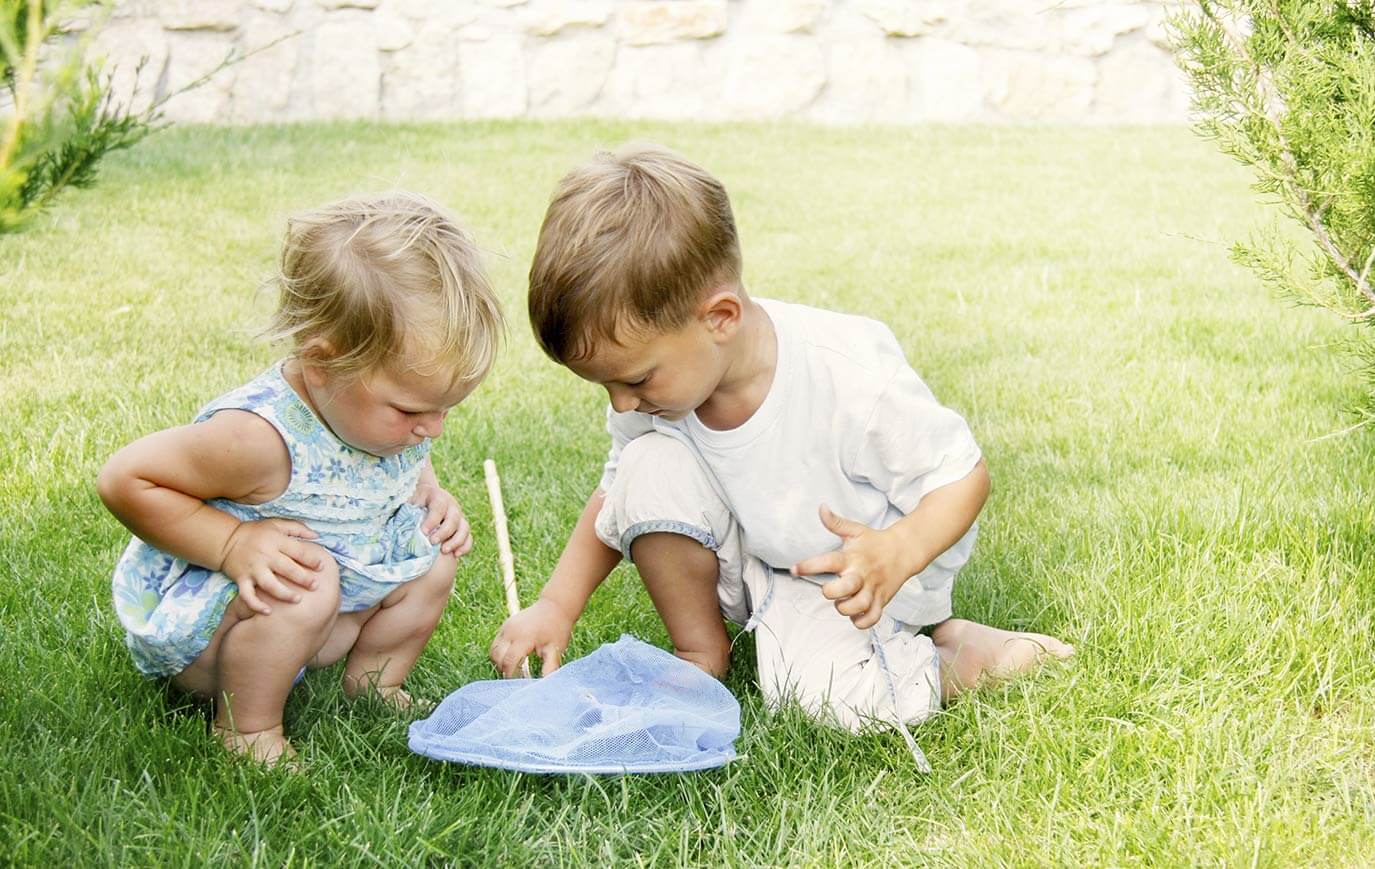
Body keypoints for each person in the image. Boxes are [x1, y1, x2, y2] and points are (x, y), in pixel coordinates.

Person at [491, 145, 1072, 740]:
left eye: (635, 379)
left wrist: (897, 551)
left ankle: (962, 656)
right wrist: (556, 605)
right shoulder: (666, 394)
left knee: (820, 700)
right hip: (757, 551)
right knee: (645, 464)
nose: (620, 402)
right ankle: (702, 653)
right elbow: (618, 491)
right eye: (608, 385)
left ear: (719, 318)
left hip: (854, 575)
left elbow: (961, 475)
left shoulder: (847, 375)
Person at [99, 192, 504, 766]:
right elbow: (125, 478)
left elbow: (408, 463)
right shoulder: (257, 439)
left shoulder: (379, 416)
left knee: (435, 555)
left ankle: (374, 683)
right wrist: (233, 543)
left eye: (446, 409)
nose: (431, 429)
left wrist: (430, 495)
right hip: (215, 635)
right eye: (412, 411)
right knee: (309, 581)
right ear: (322, 363)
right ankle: (246, 729)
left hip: (320, 612)